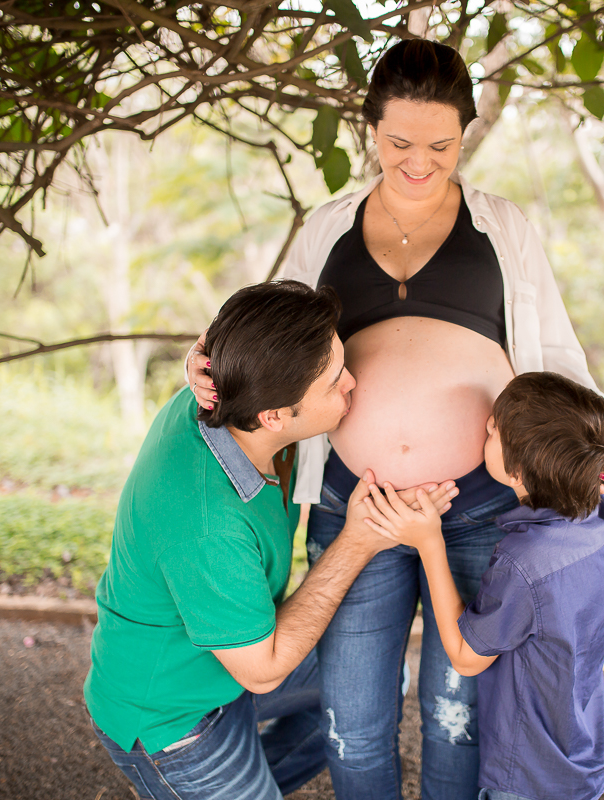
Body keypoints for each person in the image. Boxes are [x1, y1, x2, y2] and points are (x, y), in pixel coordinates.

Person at [184, 39, 604, 800]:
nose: (419, 162)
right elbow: (263, 339)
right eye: (398, 143)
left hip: (476, 506)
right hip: (353, 503)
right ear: (371, 130)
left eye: (441, 144)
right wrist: (202, 364)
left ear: (466, 132)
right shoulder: (327, 229)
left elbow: (554, 351)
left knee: (455, 712)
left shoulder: (502, 228)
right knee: (352, 719)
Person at [84, 280, 458, 800]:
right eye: (333, 383)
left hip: (228, 666)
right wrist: (358, 540)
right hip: (175, 717)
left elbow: (239, 335)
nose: (352, 382)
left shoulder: (232, 397)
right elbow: (264, 669)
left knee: (371, 680)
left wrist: (201, 347)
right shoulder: (207, 523)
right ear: (276, 415)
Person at [363, 372, 604, 800]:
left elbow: (467, 658)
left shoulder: (525, 564)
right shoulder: (601, 517)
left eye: (492, 431)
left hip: (528, 773)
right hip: (584, 745)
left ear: (518, 471)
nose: (485, 428)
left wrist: (430, 542)